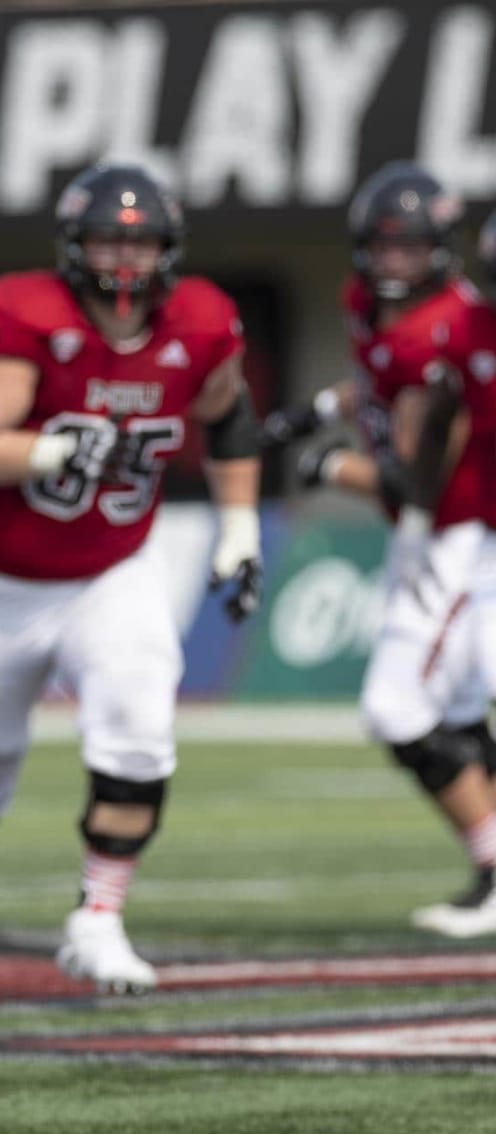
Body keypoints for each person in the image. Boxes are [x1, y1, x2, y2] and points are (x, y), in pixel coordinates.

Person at [0, 161, 263, 1011]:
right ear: (72, 244)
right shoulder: (26, 311)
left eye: (140, 238)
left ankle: (99, 916)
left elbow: (229, 417)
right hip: (1, 581)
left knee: (139, 722)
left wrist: (238, 531)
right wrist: (50, 452)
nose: (124, 256)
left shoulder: (201, 320)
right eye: (108, 237)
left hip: (111, 568)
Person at [268, 162, 496, 937]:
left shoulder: (453, 329)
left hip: (457, 535)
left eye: (410, 247)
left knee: (400, 707)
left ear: (443, 248)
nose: (393, 262)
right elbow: (373, 376)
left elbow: (415, 477)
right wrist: (314, 410)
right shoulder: (369, 305)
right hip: (429, 537)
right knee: (458, 706)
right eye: (383, 246)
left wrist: (328, 464)